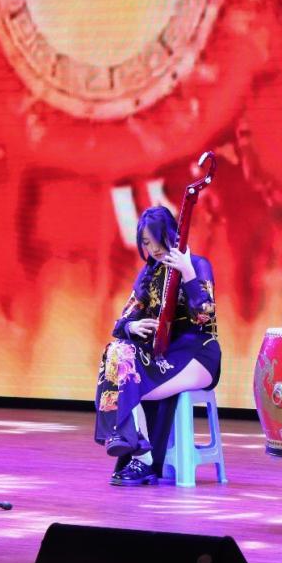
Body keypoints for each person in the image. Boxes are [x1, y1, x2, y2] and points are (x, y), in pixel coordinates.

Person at [94, 206, 221, 485]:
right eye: (145, 243)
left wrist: (187, 273)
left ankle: (142, 456)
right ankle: (133, 443)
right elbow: (122, 321)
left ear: (171, 235)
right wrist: (132, 326)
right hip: (163, 353)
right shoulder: (149, 274)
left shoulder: (198, 265)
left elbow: (205, 316)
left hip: (198, 352)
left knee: (130, 382)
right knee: (115, 351)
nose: (152, 249)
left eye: (156, 240)